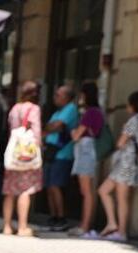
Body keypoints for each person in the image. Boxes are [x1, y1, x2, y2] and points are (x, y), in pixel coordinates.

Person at [96, 91, 138, 242]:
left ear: (133, 105)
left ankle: (121, 232)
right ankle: (113, 224)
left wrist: (123, 131)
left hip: (126, 162)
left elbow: (120, 143)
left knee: (120, 198)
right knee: (105, 191)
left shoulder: (134, 121)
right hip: (131, 162)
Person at [1, 80, 43, 236]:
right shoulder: (34, 109)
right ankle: (22, 227)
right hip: (26, 156)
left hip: (13, 154)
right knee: (25, 189)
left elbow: (11, 129)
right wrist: (37, 149)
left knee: (9, 190)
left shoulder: (14, 108)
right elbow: (36, 131)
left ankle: (6, 226)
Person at [70, 82, 105, 236]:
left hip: (85, 150)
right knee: (87, 190)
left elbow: (77, 135)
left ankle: (84, 226)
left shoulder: (90, 112)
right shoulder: (97, 112)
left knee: (86, 191)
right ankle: (84, 225)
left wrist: (72, 132)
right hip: (89, 150)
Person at [43, 85, 78, 228]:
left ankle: (61, 216)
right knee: (49, 186)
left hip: (62, 153)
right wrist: (50, 127)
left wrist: (50, 127)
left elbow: (56, 126)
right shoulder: (58, 112)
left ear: (66, 97)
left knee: (56, 185)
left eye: (58, 95)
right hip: (51, 151)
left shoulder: (70, 109)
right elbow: (48, 128)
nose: (55, 97)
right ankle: (53, 216)